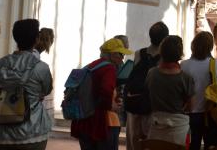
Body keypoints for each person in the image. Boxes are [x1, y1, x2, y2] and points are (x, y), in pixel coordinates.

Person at [0, 19, 54, 150]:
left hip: (3, 130)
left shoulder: (1, 64)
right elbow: (46, 90)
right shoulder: (41, 67)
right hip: (33, 130)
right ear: (36, 39)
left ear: (15, 38)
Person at [71, 38, 133, 149]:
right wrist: (112, 106)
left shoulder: (90, 66)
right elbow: (105, 91)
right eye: (121, 54)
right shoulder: (109, 68)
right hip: (102, 124)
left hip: (84, 122)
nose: (122, 58)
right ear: (113, 54)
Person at [181, 31, 217, 150]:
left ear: (193, 45)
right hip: (212, 114)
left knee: (192, 146)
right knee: (213, 146)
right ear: (210, 47)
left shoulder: (184, 65)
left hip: (190, 115)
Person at [126, 21, 169, 150]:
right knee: (151, 143)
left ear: (150, 37)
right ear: (165, 38)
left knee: (134, 141)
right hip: (154, 105)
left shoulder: (139, 53)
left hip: (135, 103)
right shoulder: (166, 57)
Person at [145, 35, 195, 146]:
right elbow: (191, 107)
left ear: (161, 51)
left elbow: (148, 95)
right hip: (178, 128)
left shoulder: (151, 73)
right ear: (179, 53)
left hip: (156, 124)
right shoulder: (186, 78)